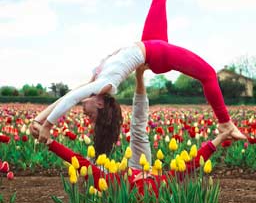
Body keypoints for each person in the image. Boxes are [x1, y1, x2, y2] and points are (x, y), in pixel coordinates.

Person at [33, 0, 246, 150]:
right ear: (99, 103)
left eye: (87, 115)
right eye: (90, 115)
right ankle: (224, 123)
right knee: (209, 74)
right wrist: (48, 126)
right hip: (156, 53)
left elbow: (68, 97)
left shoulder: (96, 83)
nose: (83, 112)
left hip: (151, 48)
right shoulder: (104, 85)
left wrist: (39, 120)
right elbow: (70, 99)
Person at [33, 64, 233, 198]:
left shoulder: (114, 182)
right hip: (143, 166)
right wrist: (220, 137)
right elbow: (191, 164)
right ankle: (140, 75)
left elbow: (80, 161)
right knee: (139, 129)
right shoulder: (159, 184)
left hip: (123, 175)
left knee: (134, 133)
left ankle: (139, 75)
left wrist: (50, 143)